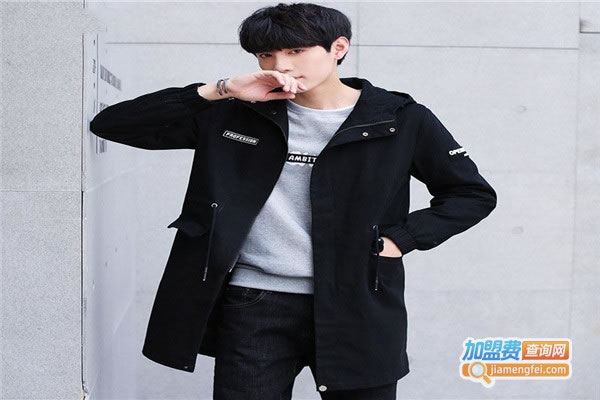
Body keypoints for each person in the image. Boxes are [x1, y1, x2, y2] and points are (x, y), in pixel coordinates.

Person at [89, 3, 497, 399]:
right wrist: (222, 89)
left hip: (357, 301)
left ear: (338, 48)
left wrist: (400, 239)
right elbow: (113, 124)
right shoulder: (236, 113)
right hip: (253, 303)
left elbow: (471, 193)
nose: (279, 64)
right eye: (266, 54)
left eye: (296, 50)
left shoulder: (399, 118)